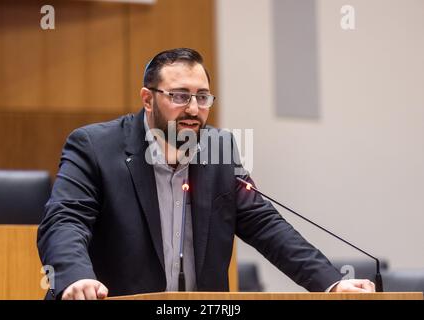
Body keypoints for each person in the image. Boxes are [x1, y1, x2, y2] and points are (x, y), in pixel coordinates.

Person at [37, 48, 375, 300]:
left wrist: (331, 282)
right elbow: (66, 219)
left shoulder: (219, 148)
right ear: (148, 99)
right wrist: (75, 277)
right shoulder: (95, 146)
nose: (194, 109)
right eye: (179, 96)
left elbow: (265, 224)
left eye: (202, 97)